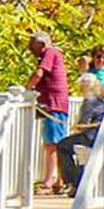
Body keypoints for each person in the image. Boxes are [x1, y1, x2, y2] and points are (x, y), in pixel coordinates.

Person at [25, 31, 70, 193]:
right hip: (56, 104)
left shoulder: (50, 53)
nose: (31, 49)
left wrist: (26, 90)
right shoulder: (54, 54)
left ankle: (48, 182)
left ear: (42, 44)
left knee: (52, 145)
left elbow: (38, 74)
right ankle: (59, 180)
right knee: (57, 144)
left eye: (33, 45)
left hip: (54, 104)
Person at [56, 74, 104, 191]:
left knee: (62, 146)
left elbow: (84, 124)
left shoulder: (89, 101)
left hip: (92, 137)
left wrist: (75, 128)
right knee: (73, 145)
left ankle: (72, 182)